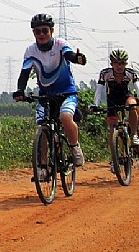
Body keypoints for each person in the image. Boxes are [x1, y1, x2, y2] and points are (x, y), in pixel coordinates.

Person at [12, 13, 87, 178]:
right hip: (45, 95)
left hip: (66, 92)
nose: (41, 34)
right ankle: (43, 167)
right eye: (37, 31)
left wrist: (77, 58)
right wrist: (20, 90)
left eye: (45, 30)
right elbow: (24, 73)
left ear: (52, 30)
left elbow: (69, 55)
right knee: (42, 128)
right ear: (33, 33)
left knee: (65, 117)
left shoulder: (60, 44)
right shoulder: (31, 50)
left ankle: (75, 147)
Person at [89, 49, 139, 172]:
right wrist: (95, 104)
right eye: (116, 63)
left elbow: (138, 88)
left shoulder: (131, 73)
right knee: (112, 128)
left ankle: (134, 134)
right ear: (111, 64)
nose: (119, 66)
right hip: (112, 99)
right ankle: (114, 158)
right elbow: (99, 90)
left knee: (132, 105)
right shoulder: (105, 73)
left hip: (126, 97)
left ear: (126, 64)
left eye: (122, 63)